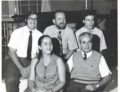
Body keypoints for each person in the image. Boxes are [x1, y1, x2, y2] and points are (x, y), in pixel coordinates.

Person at [4, 11, 43, 92]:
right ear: (26, 20)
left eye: (36, 19)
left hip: (32, 61)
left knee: (38, 82)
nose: (34, 21)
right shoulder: (17, 32)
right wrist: (21, 69)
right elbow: (11, 52)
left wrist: (31, 67)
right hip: (16, 60)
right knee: (11, 81)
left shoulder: (40, 35)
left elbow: (40, 54)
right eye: (31, 18)